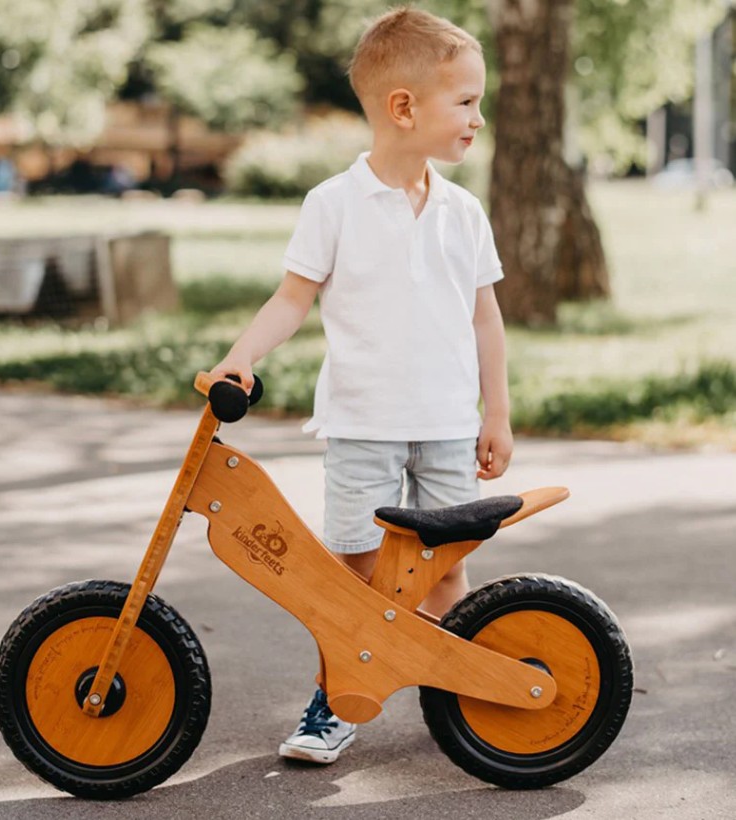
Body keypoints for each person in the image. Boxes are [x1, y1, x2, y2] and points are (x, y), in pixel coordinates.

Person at [208, 6, 513, 764]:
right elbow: (291, 299)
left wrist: (497, 413)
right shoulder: (333, 205)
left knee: (447, 580)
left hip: (445, 426)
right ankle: (335, 701)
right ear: (404, 108)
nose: (479, 116)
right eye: (466, 101)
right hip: (361, 427)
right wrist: (238, 358)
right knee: (351, 585)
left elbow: (486, 322)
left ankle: (461, 695)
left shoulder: (463, 212)